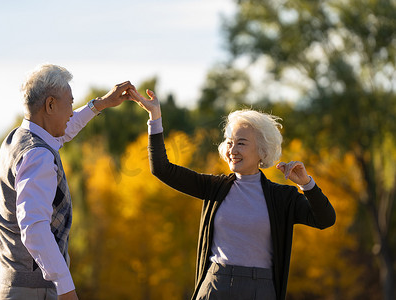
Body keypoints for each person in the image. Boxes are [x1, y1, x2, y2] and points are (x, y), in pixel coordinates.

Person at [129, 89, 336, 300]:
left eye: (241, 143)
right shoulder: (214, 187)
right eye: (229, 142)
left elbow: (325, 219)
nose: (232, 149)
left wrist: (307, 184)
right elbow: (161, 169)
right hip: (215, 285)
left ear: (262, 151)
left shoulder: (282, 197)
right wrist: (155, 117)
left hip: (261, 290)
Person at [0, 63, 134, 300]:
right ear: (50, 105)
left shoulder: (20, 138)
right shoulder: (38, 155)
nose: (71, 111)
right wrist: (66, 287)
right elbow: (35, 228)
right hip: (32, 291)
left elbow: (65, 130)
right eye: (69, 102)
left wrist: (100, 104)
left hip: (14, 284)